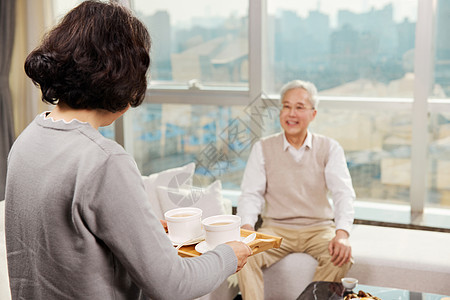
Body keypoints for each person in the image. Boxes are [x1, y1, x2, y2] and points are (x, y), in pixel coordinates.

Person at [5, 1, 252, 299]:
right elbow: (173, 286)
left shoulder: (27, 139)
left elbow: (66, 246)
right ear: (121, 78)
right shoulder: (104, 160)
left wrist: (139, 229)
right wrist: (228, 255)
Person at [237, 80, 356, 299]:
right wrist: (246, 228)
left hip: (318, 228)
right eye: (286, 106)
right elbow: (251, 194)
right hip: (276, 229)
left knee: (342, 257)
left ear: (313, 114)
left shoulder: (329, 148)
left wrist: (342, 234)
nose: (291, 113)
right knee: (242, 255)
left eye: (299, 107)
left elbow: (343, 193)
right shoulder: (262, 147)